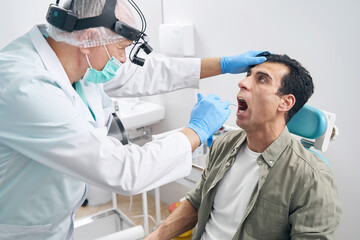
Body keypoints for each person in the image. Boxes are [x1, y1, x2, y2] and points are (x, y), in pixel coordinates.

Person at [0, 0, 267, 239]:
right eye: (121, 48)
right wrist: (196, 131)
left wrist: (222, 65)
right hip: (18, 229)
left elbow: (144, 72)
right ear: (90, 37)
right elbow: (124, 170)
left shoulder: (73, 53)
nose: (122, 58)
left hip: (51, 220)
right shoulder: (25, 86)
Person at [145, 54, 342, 240]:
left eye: (262, 79)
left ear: (285, 102)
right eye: (248, 76)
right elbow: (198, 202)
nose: (242, 83)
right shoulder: (224, 144)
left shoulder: (312, 178)